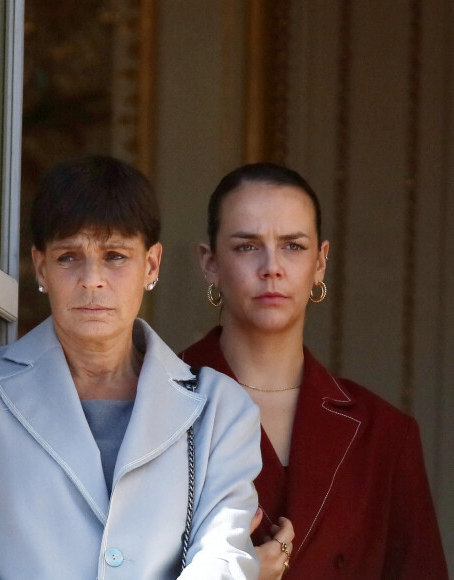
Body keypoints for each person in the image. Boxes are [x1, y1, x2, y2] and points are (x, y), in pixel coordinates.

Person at [0, 156, 262, 579]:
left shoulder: (219, 410)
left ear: (151, 265)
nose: (92, 279)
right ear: (41, 267)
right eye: (69, 257)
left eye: (115, 256)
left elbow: (222, 564)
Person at [180, 162, 448, 579]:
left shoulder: (385, 435)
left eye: (293, 246)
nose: (272, 267)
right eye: (247, 246)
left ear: (320, 262)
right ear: (210, 262)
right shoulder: (153, 405)